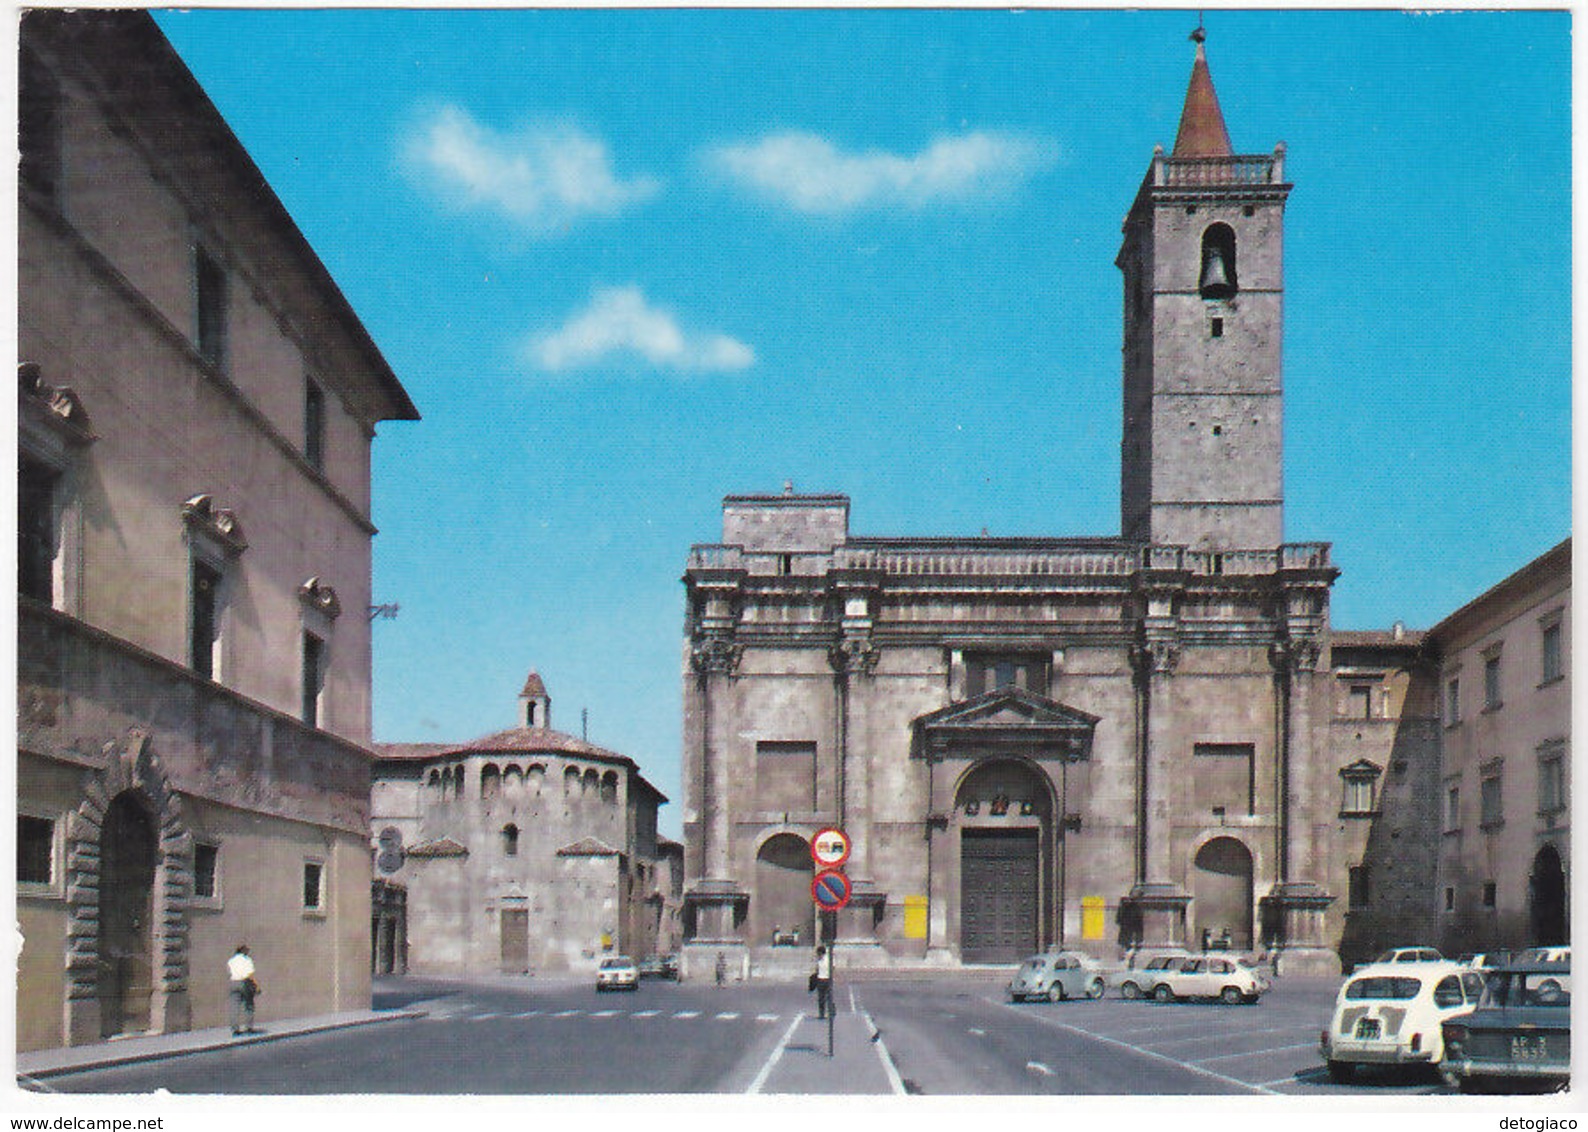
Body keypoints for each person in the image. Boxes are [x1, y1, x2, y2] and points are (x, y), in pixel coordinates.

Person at [227, 943, 258, 1036]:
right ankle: (249, 1027)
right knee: (249, 1006)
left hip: (233, 982)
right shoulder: (247, 960)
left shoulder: (231, 961)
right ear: (243, 951)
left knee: (234, 1007)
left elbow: (229, 972)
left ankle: (235, 1029)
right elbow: (250, 974)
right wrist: (256, 986)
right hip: (244, 982)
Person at [811, 944, 833, 1020]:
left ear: (822, 953)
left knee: (829, 997)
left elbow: (833, 967)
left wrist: (830, 976)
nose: (818, 955)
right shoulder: (818, 960)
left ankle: (830, 1013)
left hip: (827, 979)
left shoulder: (828, 959)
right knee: (821, 998)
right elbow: (817, 969)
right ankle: (821, 1014)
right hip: (820, 979)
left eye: (819, 953)